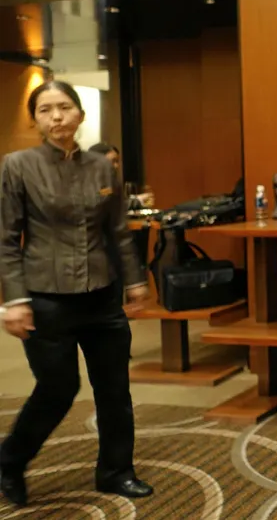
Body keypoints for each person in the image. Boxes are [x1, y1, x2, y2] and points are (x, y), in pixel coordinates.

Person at [0, 80, 154, 507]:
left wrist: (135, 281)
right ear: (35, 120)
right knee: (58, 388)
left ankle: (116, 471)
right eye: (45, 109)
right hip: (46, 298)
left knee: (114, 388)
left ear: (80, 114)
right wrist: (14, 300)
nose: (56, 117)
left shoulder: (103, 167)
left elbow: (118, 232)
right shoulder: (17, 165)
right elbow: (6, 238)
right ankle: (9, 460)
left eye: (65, 107)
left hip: (102, 296)